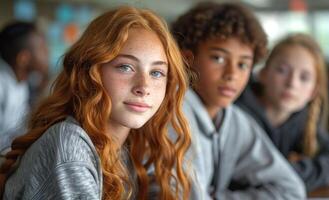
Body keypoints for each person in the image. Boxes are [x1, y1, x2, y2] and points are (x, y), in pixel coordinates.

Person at [0, 6, 192, 199]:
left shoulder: (130, 149)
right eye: (125, 67)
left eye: (156, 73)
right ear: (90, 73)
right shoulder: (69, 145)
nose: (144, 86)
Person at [171, 2, 306, 199]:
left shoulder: (233, 119)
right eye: (218, 58)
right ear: (186, 60)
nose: (232, 74)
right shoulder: (173, 115)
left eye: (243, 64)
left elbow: (290, 189)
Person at [237, 33, 329, 191]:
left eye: (304, 78)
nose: (292, 83)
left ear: (313, 92)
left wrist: (290, 170)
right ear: (263, 73)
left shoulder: (303, 122)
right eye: (282, 70)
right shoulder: (237, 116)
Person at [0, 21, 49, 154]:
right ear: (23, 59)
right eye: (42, 48)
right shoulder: (2, 85)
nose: (48, 53)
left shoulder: (22, 81)